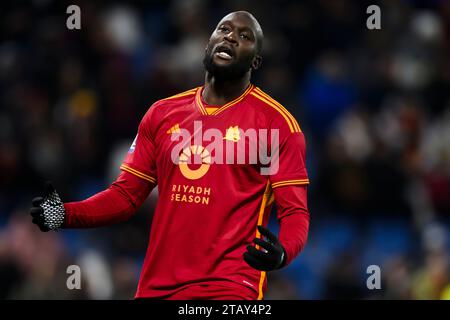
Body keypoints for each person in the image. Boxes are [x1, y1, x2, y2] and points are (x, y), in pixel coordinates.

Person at [30, 11, 310, 300]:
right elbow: (125, 196)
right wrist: (65, 214)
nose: (231, 37)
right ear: (208, 44)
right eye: (224, 29)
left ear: (256, 61)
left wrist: (283, 253)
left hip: (228, 290)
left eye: (244, 36)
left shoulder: (277, 124)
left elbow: (295, 212)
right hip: (156, 288)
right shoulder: (162, 114)